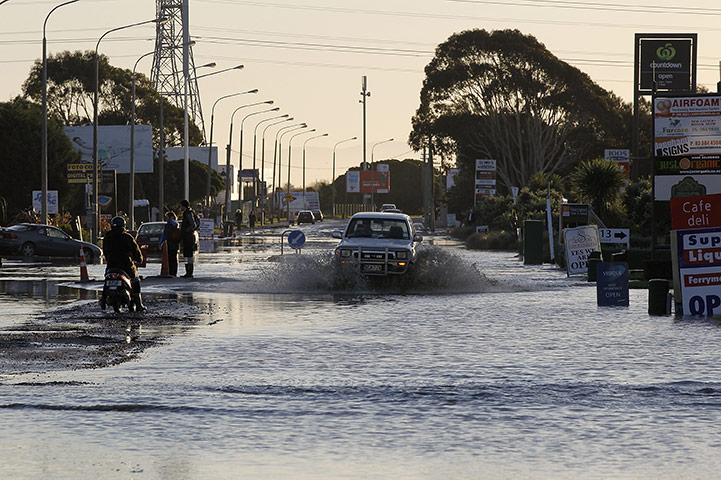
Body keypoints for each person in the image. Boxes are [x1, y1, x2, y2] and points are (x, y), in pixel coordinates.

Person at [102, 215, 146, 311]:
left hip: (111, 266)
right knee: (135, 281)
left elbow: (105, 251)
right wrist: (139, 259)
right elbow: (136, 251)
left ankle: (103, 300)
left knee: (106, 279)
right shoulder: (127, 237)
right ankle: (139, 304)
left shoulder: (107, 238)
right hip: (126, 266)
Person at [180, 199, 200, 278]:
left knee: (188, 254)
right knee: (188, 254)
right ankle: (188, 272)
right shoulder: (191, 212)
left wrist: (186, 230)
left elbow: (193, 224)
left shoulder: (187, 213)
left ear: (184, 206)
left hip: (188, 237)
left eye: (181, 206)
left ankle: (189, 272)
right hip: (189, 237)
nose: (180, 207)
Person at [159, 211, 180, 276]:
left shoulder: (174, 224)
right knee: (169, 259)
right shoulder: (167, 225)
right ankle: (170, 272)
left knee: (173, 259)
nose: (166, 219)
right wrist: (161, 242)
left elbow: (176, 225)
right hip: (168, 244)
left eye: (167, 217)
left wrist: (172, 220)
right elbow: (164, 234)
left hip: (174, 244)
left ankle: (174, 273)